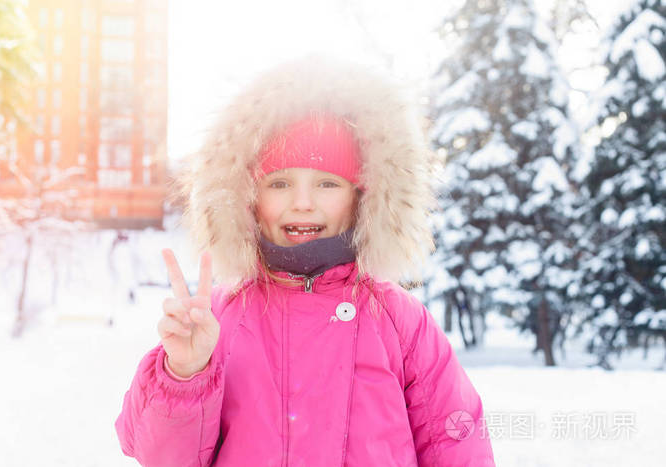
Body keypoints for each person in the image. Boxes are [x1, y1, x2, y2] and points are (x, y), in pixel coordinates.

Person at [115, 56, 496, 466]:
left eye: (326, 183)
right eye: (279, 183)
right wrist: (184, 374)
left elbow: (457, 442)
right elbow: (161, 456)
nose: (302, 203)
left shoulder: (399, 322)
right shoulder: (221, 319)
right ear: (250, 198)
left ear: (361, 196)